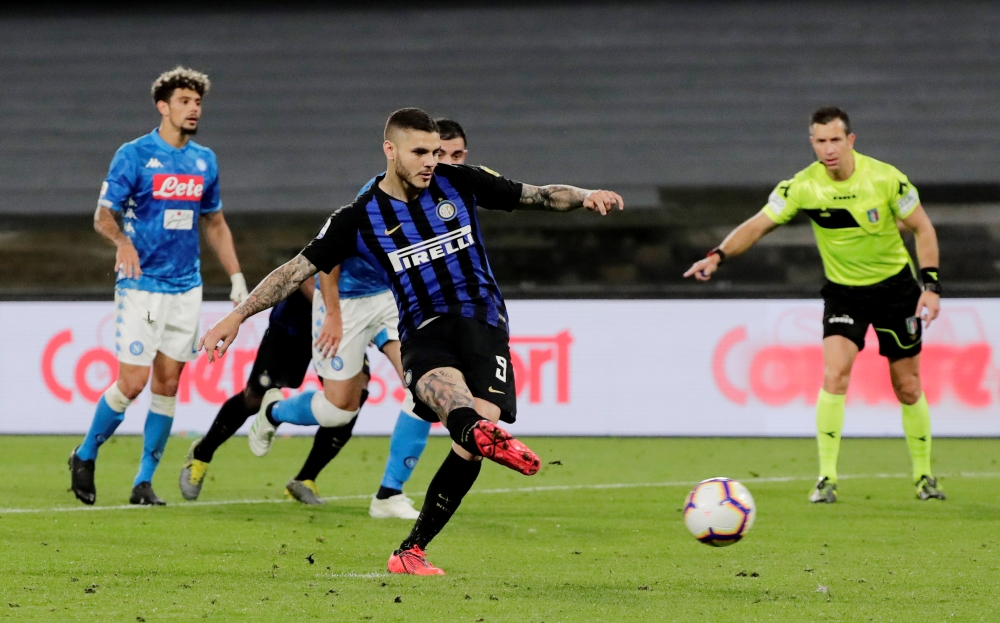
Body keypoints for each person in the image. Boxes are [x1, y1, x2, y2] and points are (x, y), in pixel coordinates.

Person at [199, 107, 623, 574]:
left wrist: (586, 195)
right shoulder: (359, 217)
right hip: (424, 328)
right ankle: (476, 440)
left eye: (435, 151)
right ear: (390, 150)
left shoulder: (459, 181)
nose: (430, 161)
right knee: (456, 408)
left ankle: (410, 549)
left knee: (472, 436)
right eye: (420, 152)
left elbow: (539, 196)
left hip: (484, 323)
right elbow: (296, 271)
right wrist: (237, 315)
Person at [684, 107, 944, 503]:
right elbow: (758, 223)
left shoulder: (886, 178)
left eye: (835, 140)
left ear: (851, 140)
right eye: (820, 141)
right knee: (835, 374)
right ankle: (826, 479)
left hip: (896, 291)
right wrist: (717, 254)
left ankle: (924, 477)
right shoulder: (802, 187)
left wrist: (931, 286)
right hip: (844, 293)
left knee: (907, 387)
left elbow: (923, 227)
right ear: (812, 144)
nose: (828, 149)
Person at [69, 67, 247, 506]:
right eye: (185, 101)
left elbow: (216, 222)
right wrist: (123, 241)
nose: (193, 109)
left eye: (198, 102)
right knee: (132, 383)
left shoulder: (204, 159)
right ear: (163, 106)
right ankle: (85, 452)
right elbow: (102, 214)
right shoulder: (134, 154)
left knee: (168, 386)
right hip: (144, 288)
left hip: (186, 289)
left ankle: (143, 481)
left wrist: (237, 277)